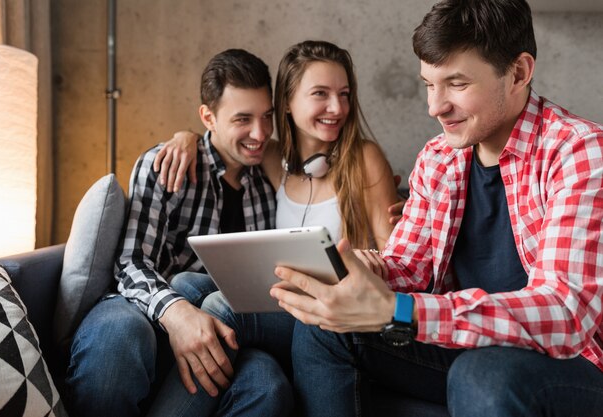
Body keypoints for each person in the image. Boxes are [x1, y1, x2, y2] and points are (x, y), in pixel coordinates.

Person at [270, 1, 603, 416]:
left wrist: (401, 310)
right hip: (467, 344)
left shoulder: (578, 151)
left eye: (457, 84)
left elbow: (564, 313)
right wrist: (360, 271)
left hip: (569, 362)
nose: (435, 106)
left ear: (518, 72)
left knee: (481, 374)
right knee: (325, 328)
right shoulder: (439, 157)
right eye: (429, 84)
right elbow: (407, 267)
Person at [154, 40, 401, 414]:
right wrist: (186, 138)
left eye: (344, 94)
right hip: (283, 299)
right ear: (286, 101)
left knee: (220, 307)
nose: (338, 108)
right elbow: (225, 136)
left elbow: (397, 260)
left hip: (325, 312)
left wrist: (370, 258)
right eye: (321, 94)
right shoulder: (272, 157)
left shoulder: (364, 159)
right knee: (186, 285)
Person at [65, 49, 293, 417]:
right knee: (119, 336)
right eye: (243, 119)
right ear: (208, 117)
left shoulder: (268, 181)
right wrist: (178, 312)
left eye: (267, 117)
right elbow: (131, 261)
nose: (261, 133)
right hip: (145, 307)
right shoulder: (168, 164)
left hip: (224, 326)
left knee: (266, 384)